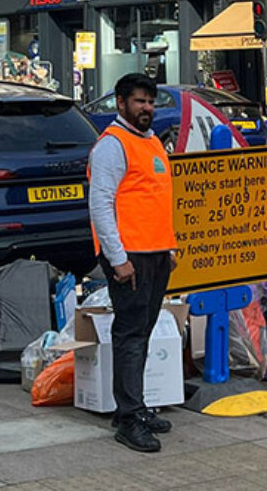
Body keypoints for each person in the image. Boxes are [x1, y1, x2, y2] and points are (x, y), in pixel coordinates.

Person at [88, 72, 178, 453]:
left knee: (142, 332)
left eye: (151, 101)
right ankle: (128, 418)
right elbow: (101, 205)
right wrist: (117, 258)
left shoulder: (152, 141)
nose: (147, 108)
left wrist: (169, 248)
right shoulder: (112, 146)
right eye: (139, 101)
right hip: (130, 257)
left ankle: (136, 407)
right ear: (121, 103)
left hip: (156, 253)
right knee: (129, 335)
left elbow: (155, 199)